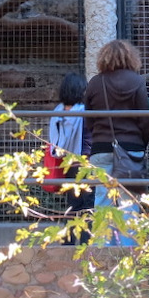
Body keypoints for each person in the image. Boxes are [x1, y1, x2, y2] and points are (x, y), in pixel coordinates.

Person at [84, 39, 149, 244]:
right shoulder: (137, 81)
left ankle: (101, 252)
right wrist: (141, 144)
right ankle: (127, 253)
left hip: (101, 147)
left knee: (102, 199)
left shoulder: (95, 83)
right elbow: (145, 118)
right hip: (131, 148)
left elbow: (88, 118)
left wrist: (98, 136)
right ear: (131, 58)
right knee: (129, 201)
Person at [48, 72, 91, 239]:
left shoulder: (57, 112)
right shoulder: (85, 112)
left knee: (73, 203)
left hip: (66, 161)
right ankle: (87, 243)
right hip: (84, 161)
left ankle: (70, 243)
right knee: (88, 203)